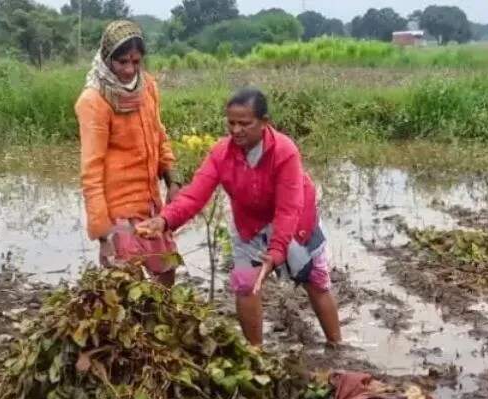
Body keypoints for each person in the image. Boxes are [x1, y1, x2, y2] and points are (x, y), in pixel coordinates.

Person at [137, 87, 342, 348]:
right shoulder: (221, 153)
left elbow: (289, 208)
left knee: (315, 282)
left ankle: (337, 345)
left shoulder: (284, 152)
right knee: (245, 285)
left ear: (264, 123)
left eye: (245, 123)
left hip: (296, 221)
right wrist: (164, 220)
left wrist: (278, 250)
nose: (236, 130)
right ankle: (256, 354)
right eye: (231, 123)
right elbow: (194, 195)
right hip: (250, 226)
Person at [75, 20, 180, 285]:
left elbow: (159, 135)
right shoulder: (94, 101)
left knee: (167, 269)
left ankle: (159, 326)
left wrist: (173, 179)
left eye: (136, 61)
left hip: (149, 202)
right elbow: (92, 171)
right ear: (107, 58)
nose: (129, 69)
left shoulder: (147, 87)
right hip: (118, 210)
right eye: (122, 62)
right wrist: (104, 235)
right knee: (126, 285)